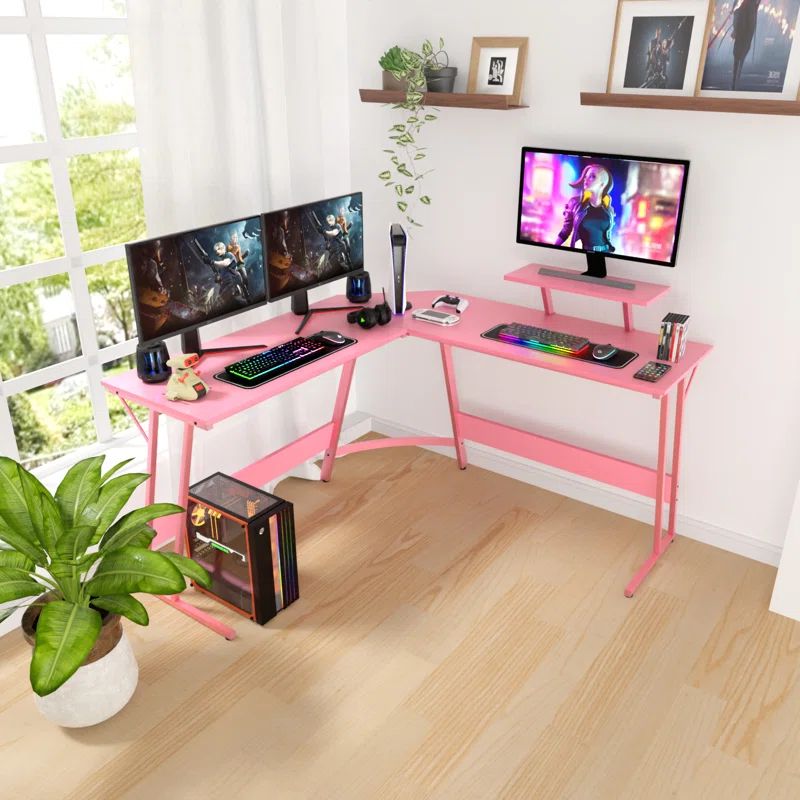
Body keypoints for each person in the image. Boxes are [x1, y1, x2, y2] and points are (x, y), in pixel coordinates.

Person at [554, 164, 616, 253]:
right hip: (585, 254)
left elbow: (607, 236)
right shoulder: (575, 204)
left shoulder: (609, 210)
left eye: (592, 176)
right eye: (586, 176)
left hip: (606, 253)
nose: (586, 179)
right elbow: (565, 231)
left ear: (602, 184)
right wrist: (552, 248)